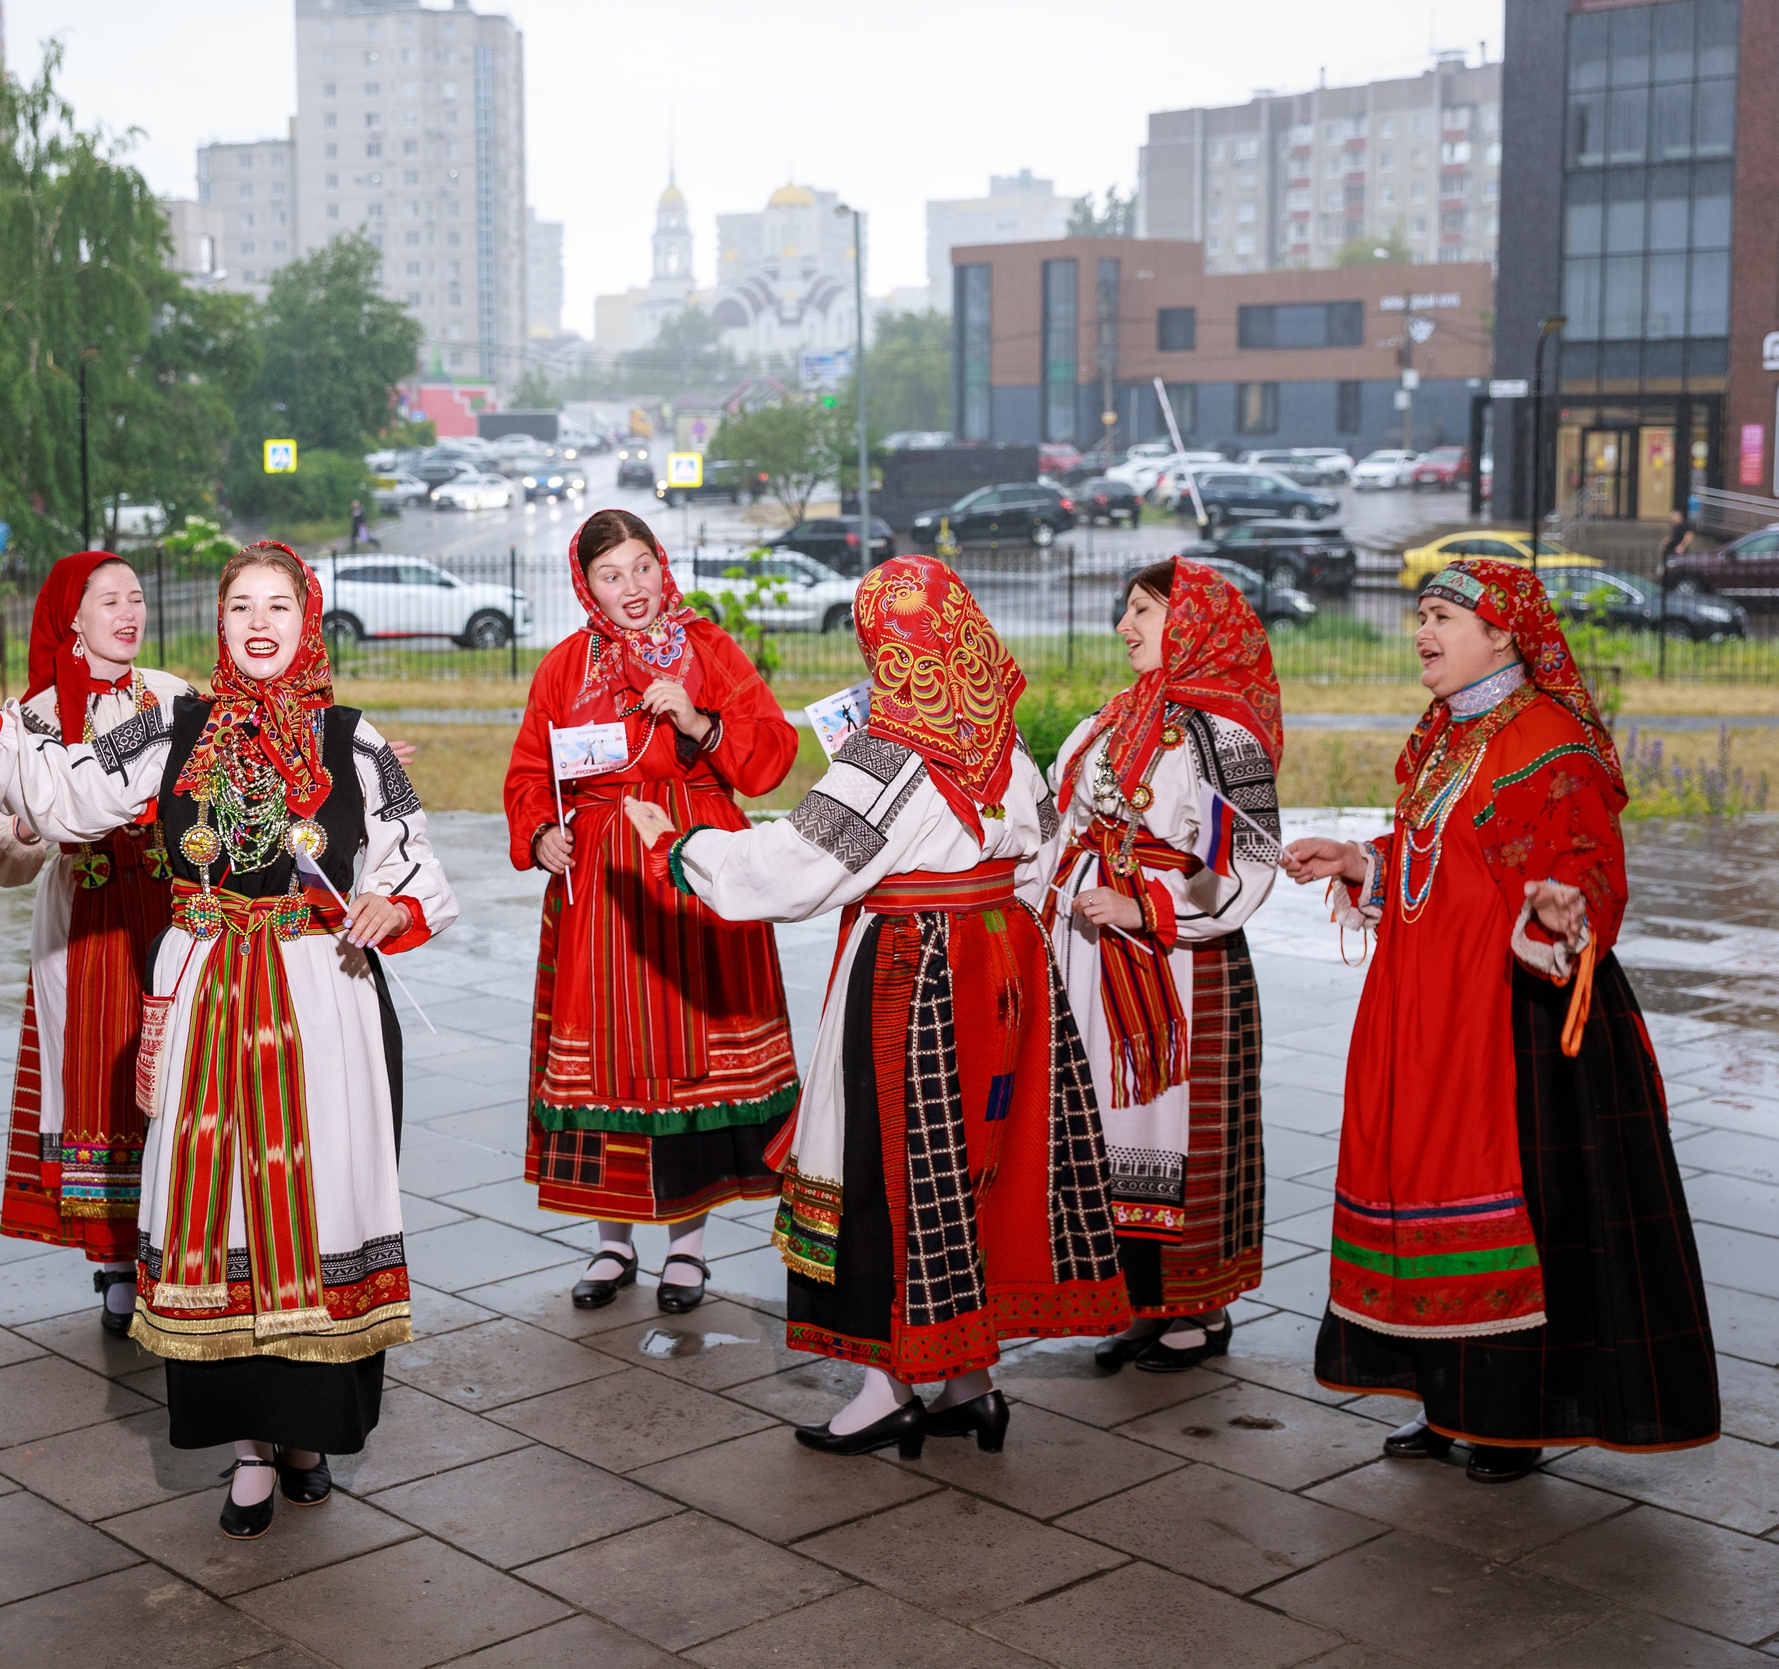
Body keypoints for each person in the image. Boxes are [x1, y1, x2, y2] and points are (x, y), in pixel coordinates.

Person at [0, 541, 455, 1542]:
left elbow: (414, 856)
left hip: (322, 997)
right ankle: (248, 1451)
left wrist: (391, 902)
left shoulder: (354, 738)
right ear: (219, 621)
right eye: (241, 605)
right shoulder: (170, 727)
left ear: (308, 620)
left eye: (279, 606)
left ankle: (309, 1437)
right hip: (208, 995)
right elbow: (63, 792)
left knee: (319, 1207)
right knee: (223, 1209)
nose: (259, 623)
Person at [624, 557, 1128, 1458]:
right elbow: (1044, 850)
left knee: (883, 1168)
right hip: (1003, 963)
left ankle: (885, 1389)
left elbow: (796, 868)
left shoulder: (889, 755)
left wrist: (686, 846)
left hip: (915, 974)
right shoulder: (1002, 740)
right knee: (969, 1164)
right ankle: (969, 1383)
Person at [1283, 558, 1719, 1482]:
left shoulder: (1551, 739)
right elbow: (1443, 855)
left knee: (1523, 1210)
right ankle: (1448, 1403)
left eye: (1442, 616)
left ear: (1502, 633)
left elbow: (1590, 869)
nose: (1421, 633)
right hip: (1428, 999)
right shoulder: (1450, 733)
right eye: (1421, 615)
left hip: (1515, 1011)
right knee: (1422, 1191)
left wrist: (1563, 910)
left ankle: (1509, 1419)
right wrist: (1360, 861)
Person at [503, 510, 801, 1312]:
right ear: (586, 586)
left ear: (662, 566)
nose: (631, 587)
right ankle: (611, 1242)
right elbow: (530, 769)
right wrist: (542, 832)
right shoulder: (565, 667)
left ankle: (688, 1248)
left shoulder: (710, 648)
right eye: (611, 575)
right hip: (603, 886)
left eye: (641, 566)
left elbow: (771, 754)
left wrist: (699, 722)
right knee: (607, 1057)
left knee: (689, 1057)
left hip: (694, 869)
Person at [1034, 558, 1283, 1373]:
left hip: (1182, 967)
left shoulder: (1225, 735)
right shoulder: (1114, 718)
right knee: (1112, 1127)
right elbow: (1058, 817)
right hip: (1095, 956)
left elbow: (1248, 858)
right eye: (1127, 610)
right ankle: (1142, 1300)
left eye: (1143, 609)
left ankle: (1200, 1307)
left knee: (1179, 1128)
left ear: (1194, 622)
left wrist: (1148, 907)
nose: (1125, 626)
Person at [0, 553, 193, 1336]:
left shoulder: (172, 696)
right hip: (86, 918)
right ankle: (118, 1259)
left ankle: (174, 1237)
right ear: (74, 620)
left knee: (177, 1066)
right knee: (103, 1071)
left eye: (136, 597)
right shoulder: (35, 717)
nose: (129, 612)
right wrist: (27, 826)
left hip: (168, 905)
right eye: (109, 600)